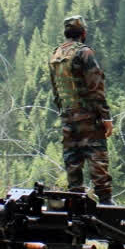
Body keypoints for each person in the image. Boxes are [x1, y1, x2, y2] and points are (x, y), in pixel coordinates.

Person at [48, 14, 114, 204]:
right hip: (88, 116)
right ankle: (106, 203)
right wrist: (105, 116)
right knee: (97, 157)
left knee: (72, 161)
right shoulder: (84, 53)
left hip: (68, 116)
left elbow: (56, 90)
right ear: (83, 33)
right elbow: (96, 87)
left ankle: (75, 201)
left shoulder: (56, 54)